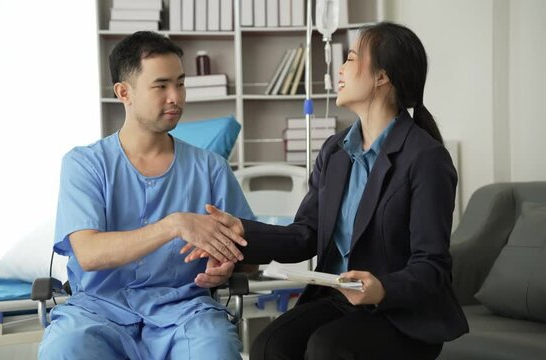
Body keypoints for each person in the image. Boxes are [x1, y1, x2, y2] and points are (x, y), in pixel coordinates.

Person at [196, 22, 469, 359]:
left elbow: (433, 266)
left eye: (351, 59)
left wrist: (381, 288)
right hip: (339, 301)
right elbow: (306, 235)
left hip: (402, 313)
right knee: (269, 345)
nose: (340, 69)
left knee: (327, 349)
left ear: (382, 77)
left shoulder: (425, 158)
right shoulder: (335, 151)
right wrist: (242, 232)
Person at [38, 31, 254, 360]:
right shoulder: (85, 164)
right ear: (124, 92)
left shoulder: (210, 168)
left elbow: (248, 255)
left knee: (217, 350)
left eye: (180, 84)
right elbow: (89, 254)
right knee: (65, 347)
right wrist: (174, 225)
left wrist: (228, 267)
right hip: (98, 312)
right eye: (161, 85)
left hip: (185, 313)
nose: (176, 97)